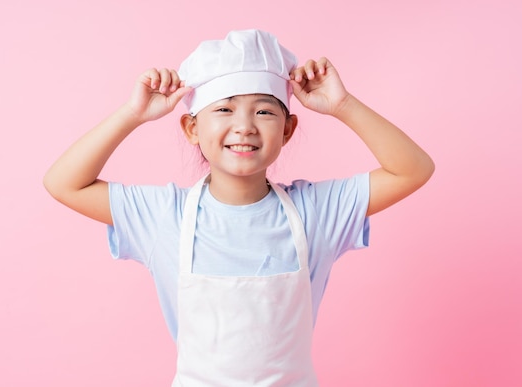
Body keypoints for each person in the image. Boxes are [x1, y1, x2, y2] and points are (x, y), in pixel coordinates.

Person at [43, 29, 434, 386]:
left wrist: (343, 104)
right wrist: (132, 114)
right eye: (224, 109)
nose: (245, 126)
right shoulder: (165, 216)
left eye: (264, 111)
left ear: (287, 129)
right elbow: (63, 183)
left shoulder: (316, 212)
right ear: (192, 129)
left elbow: (413, 170)